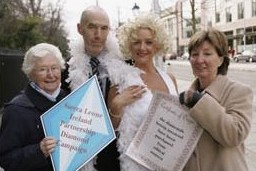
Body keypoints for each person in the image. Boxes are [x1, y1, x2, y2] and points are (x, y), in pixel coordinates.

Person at [107, 13, 178, 171]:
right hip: (135, 165)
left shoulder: (170, 79)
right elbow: (109, 132)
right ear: (129, 46)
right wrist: (116, 105)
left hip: (167, 161)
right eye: (136, 42)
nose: (142, 48)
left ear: (157, 45)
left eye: (149, 42)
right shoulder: (119, 82)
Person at [66, 6, 133, 171]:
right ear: (80, 29)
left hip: (115, 158)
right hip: (79, 155)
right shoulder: (65, 71)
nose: (98, 35)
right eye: (92, 27)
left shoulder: (124, 66)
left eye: (104, 28)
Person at [179, 28, 253, 171]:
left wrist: (199, 102)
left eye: (207, 53)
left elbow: (234, 134)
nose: (199, 60)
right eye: (194, 54)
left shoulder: (239, 92)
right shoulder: (185, 98)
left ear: (220, 59)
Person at [0, 43, 68, 171]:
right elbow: (5, 159)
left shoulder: (71, 100)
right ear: (30, 74)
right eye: (42, 69)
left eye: (54, 68)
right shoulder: (16, 110)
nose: (51, 75)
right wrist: (39, 151)